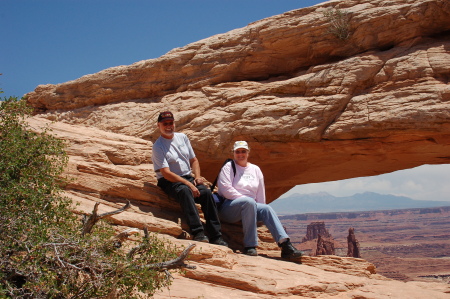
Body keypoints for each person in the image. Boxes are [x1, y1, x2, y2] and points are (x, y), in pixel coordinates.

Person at [152, 111, 227, 246]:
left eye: (171, 123)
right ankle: (198, 232)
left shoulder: (182, 137)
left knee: (206, 193)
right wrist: (188, 184)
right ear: (159, 126)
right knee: (185, 192)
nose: (168, 126)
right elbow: (166, 173)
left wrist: (197, 178)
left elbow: (194, 160)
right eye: (165, 124)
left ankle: (216, 235)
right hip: (169, 181)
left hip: (187, 177)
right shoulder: (158, 146)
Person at [217, 141, 302, 259]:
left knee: (266, 208)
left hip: (250, 207)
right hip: (229, 207)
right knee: (249, 202)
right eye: (237, 152)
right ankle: (250, 246)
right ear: (233, 153)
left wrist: (256, 211)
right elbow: (225, 188)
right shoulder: (229, 167)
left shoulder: (255, 169)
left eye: (243, 151)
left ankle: (285, 244)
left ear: (248, 153)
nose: (240, 154)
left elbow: (260, 193)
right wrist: (247, 202)